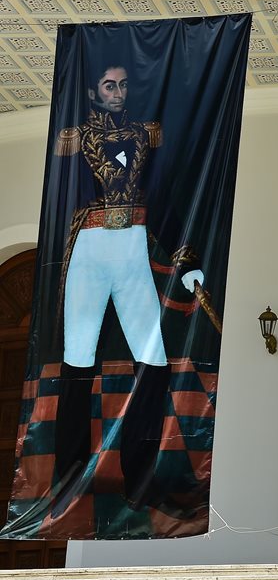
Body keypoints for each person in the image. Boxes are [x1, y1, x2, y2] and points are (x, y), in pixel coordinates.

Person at [51, 62, 204, 515]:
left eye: (122, 84)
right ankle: (70, 474)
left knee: (153, 358)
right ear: (95, 92)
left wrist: (185, 257)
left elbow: (160, 193)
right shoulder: (74, 139)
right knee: (78, 356)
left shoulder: (146, 133)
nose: (117, 91)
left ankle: (141, 477)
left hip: (134, 241)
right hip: (91, 244)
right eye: (108, 85)